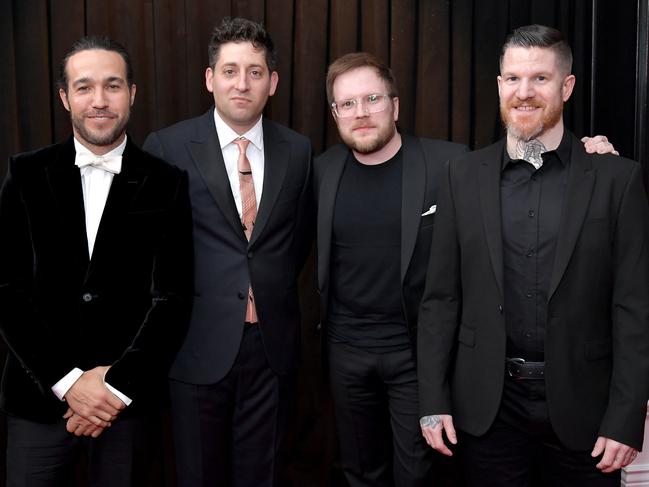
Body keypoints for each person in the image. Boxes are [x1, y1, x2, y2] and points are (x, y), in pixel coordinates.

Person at [418, 24, 649, 487]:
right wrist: (432, 400)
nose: (524, 93)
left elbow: (634, 309)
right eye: (513, 79)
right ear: (500, 84)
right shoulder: (460, 177)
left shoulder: (616, 180)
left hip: (586, 414)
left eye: (540, 79)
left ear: (567, 86)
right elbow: (440, 299)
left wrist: (626, 418)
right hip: (487, 410)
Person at [0, 35, 193, 486]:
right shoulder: (26, 174)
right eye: (85, 87)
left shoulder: (167, 183)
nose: (100, 100)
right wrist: (69, 383)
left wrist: (115, 387)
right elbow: (7, 291)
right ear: (65, 97)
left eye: (113, 85)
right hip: (39, 402)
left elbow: (173, 298)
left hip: (126, 406)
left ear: (132, 93)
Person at [143, 17, 313, 487]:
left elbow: (293, 245)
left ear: (272, 82)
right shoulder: (168, 146)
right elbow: (153, 253)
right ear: (209, 78)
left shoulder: (298, 151)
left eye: (255, 72)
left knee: (265, 476)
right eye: (231, 70)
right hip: (195, 347)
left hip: (272, 351)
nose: (243, 83)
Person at [313, 52, 468, 486]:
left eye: (372, 99)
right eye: (348, 104)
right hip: (345, 352)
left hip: (415, 355)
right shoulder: (321, 172)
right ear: (335, 113)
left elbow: (514, 174)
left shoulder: (448, 164)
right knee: (360, 472)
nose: (360, 113)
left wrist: (588, 153)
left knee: (417, 475)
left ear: (395, 106)